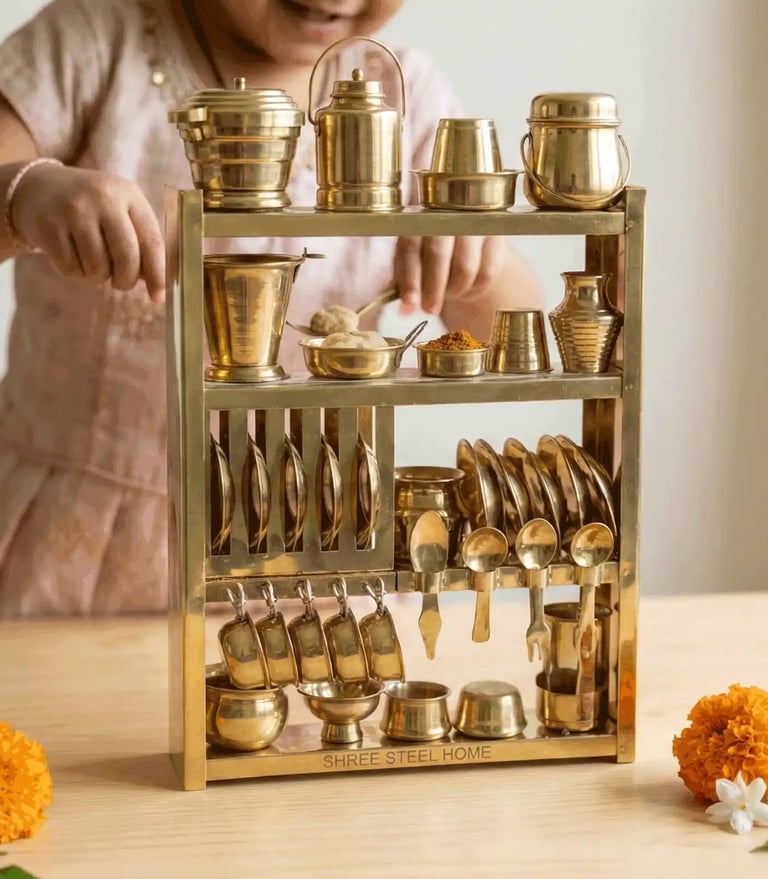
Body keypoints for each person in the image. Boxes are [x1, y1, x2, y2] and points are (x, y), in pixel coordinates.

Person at [0, 0, 541, 616]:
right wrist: (25, 192)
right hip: (69, 550)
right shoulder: (94, 40)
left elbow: (508, 330)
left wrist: (473, 262)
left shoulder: (401, 93)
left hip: (308, 555)